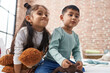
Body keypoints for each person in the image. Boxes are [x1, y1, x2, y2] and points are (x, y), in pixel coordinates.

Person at [35, 5, 85, 73]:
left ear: (78, 20)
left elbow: (76, 51)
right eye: (70, 15)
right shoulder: (58, 31)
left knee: (81, 69)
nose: (74, 18)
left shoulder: (75, 36)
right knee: (40, 72)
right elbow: (52, 48)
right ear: (62, 17)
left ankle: (60, 69)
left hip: (66, 62)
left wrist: (79, 60)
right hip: (50, 62)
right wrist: (61, 60)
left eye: (76, 16)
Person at [9, 3, 50, 73]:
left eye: (46, 15)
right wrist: (19, 71)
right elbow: (17, 55)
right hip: (21, 63)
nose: (44, 16)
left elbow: (47, 54)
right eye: (40, 13)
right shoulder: (23, 32)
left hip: (36, 63)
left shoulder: (48, 35)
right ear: (29, 18)